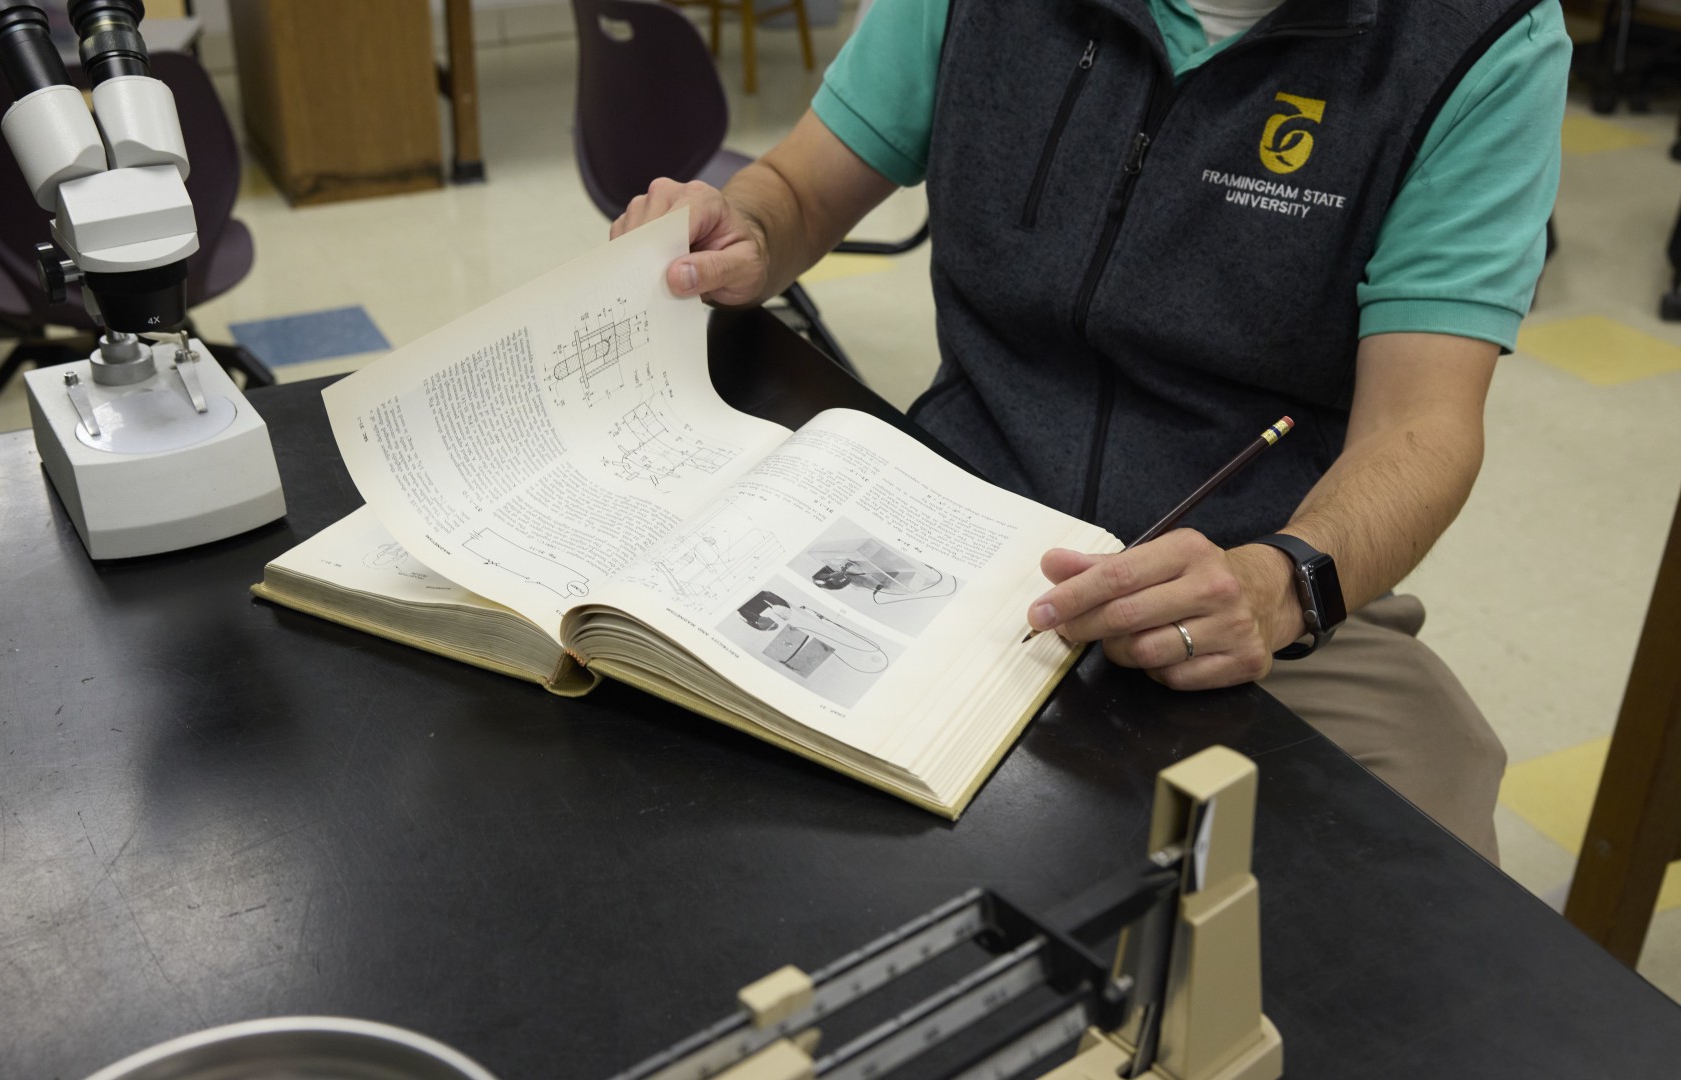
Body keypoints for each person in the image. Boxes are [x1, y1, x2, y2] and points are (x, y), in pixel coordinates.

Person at [613, 0, 1572, 861]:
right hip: (953, 513)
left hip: (1248, 577)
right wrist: (748, 228)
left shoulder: (1481, 40)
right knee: (676, 752)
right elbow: (802, 188)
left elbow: (1422, 430)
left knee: (1423, 839)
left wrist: (1282, 585)